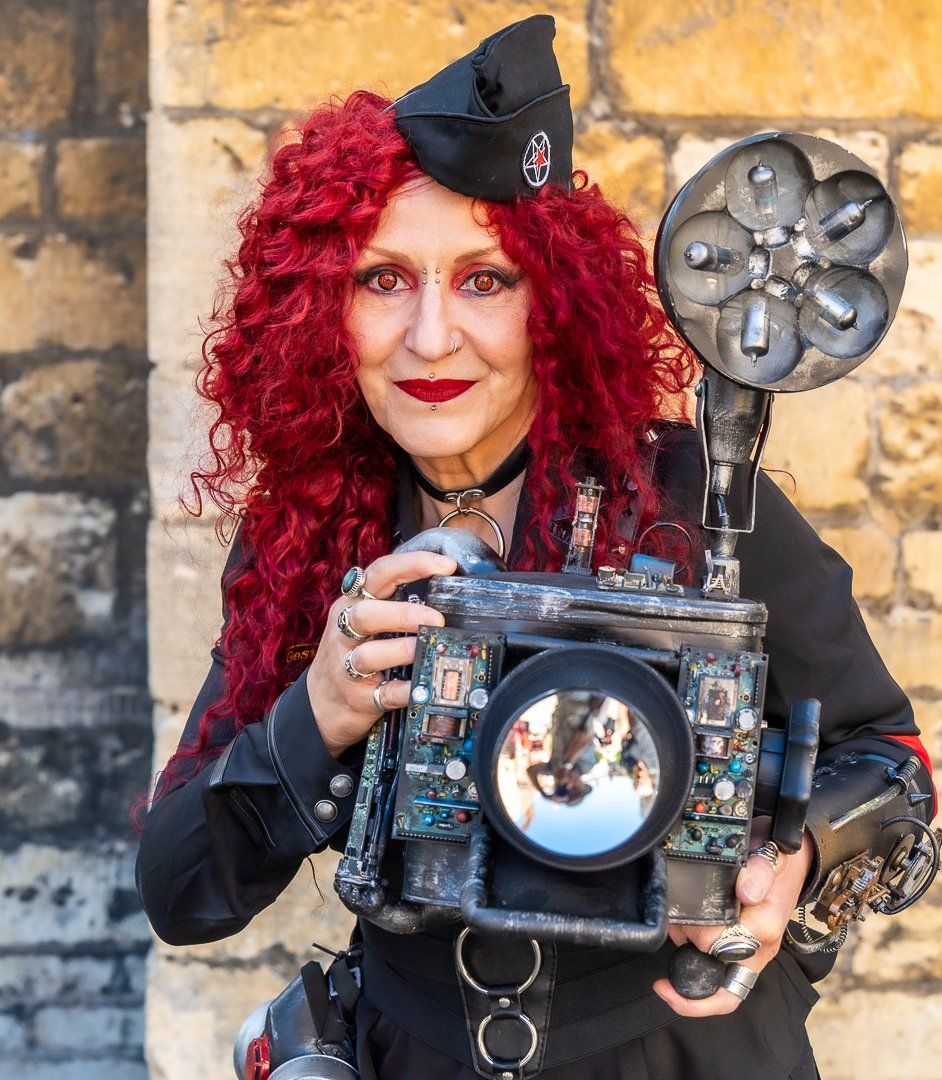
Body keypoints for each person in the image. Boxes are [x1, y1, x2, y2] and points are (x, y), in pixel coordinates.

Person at [135, 15, 935, 1080]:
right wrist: (315, 715)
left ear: (552, 306)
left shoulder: (691, 499)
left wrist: (794, 857)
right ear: (321, 313)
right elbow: (181, 894)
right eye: (384, 280)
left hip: (679, 1054)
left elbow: (893, 764)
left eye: (483, 280)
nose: (430, 339)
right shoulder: (313, 536)